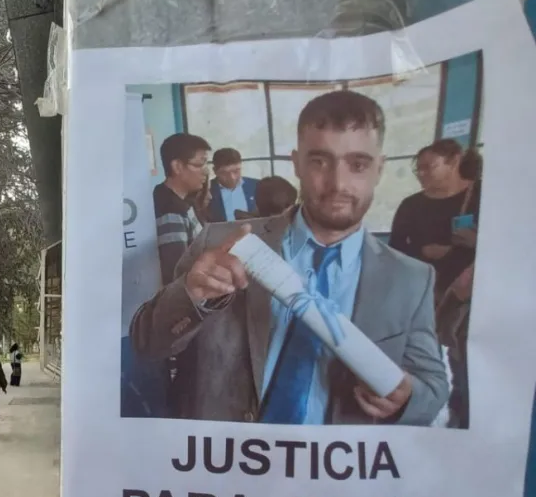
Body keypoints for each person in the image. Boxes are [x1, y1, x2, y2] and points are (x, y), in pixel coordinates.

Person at [129, 89, 449, 426]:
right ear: (296, 163)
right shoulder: (221, 242)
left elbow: (432, 387)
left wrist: (407, 398)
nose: (337, 183)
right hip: (222, 468)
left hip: (332, 471)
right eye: (319, 161)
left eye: (358, 164)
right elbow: (147, 343)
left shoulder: (411, 279)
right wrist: (191, 296)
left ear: (380, 168)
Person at [389, 139, 480, 297]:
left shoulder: (482, 195)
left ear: (453, 162)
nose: (422, 174)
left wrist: (477, 241)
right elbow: (395, 249)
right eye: (418, 170)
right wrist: (422, 251)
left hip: (472, 292)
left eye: (428, 167)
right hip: (424, 290)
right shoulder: (411, 205)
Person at [154, 133, 211, 283]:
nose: (206, 171)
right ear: (177, 167)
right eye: (199, 165)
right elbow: (177, 274)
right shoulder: (170, 212)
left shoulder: (185, 202)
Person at [207, 148, 260, 222]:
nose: (232, 177)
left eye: (236, 171)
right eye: (224, 173)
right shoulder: (206, 191)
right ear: (215, 171)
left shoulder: (257, 186)